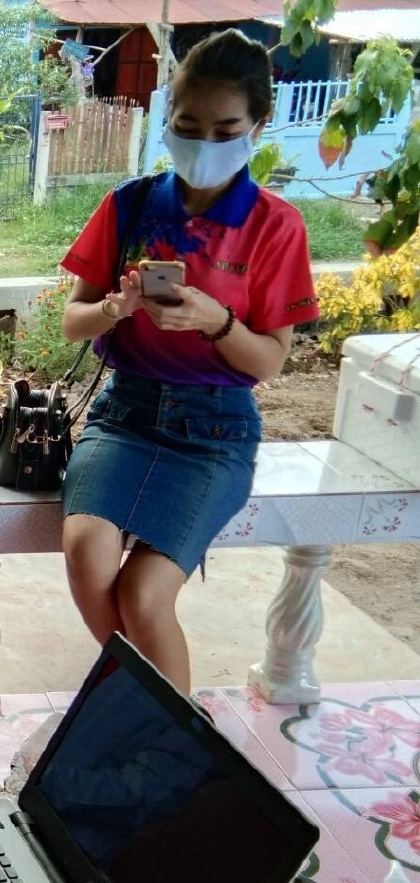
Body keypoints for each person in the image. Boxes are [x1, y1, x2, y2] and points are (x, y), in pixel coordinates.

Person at [58, 29, 320, 695]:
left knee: (145, 594)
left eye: (226, 127)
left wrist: (216, 320)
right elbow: (72, 322)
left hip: (215, 432)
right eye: (188, 125)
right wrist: (118, 309)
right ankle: (156, 719)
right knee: (87, 555)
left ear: (258, 124)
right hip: (126, 412)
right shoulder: (132, 204)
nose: (205, 142)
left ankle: (169, 743)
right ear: (167, 119)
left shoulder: (275, 225)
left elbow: (267, 363)